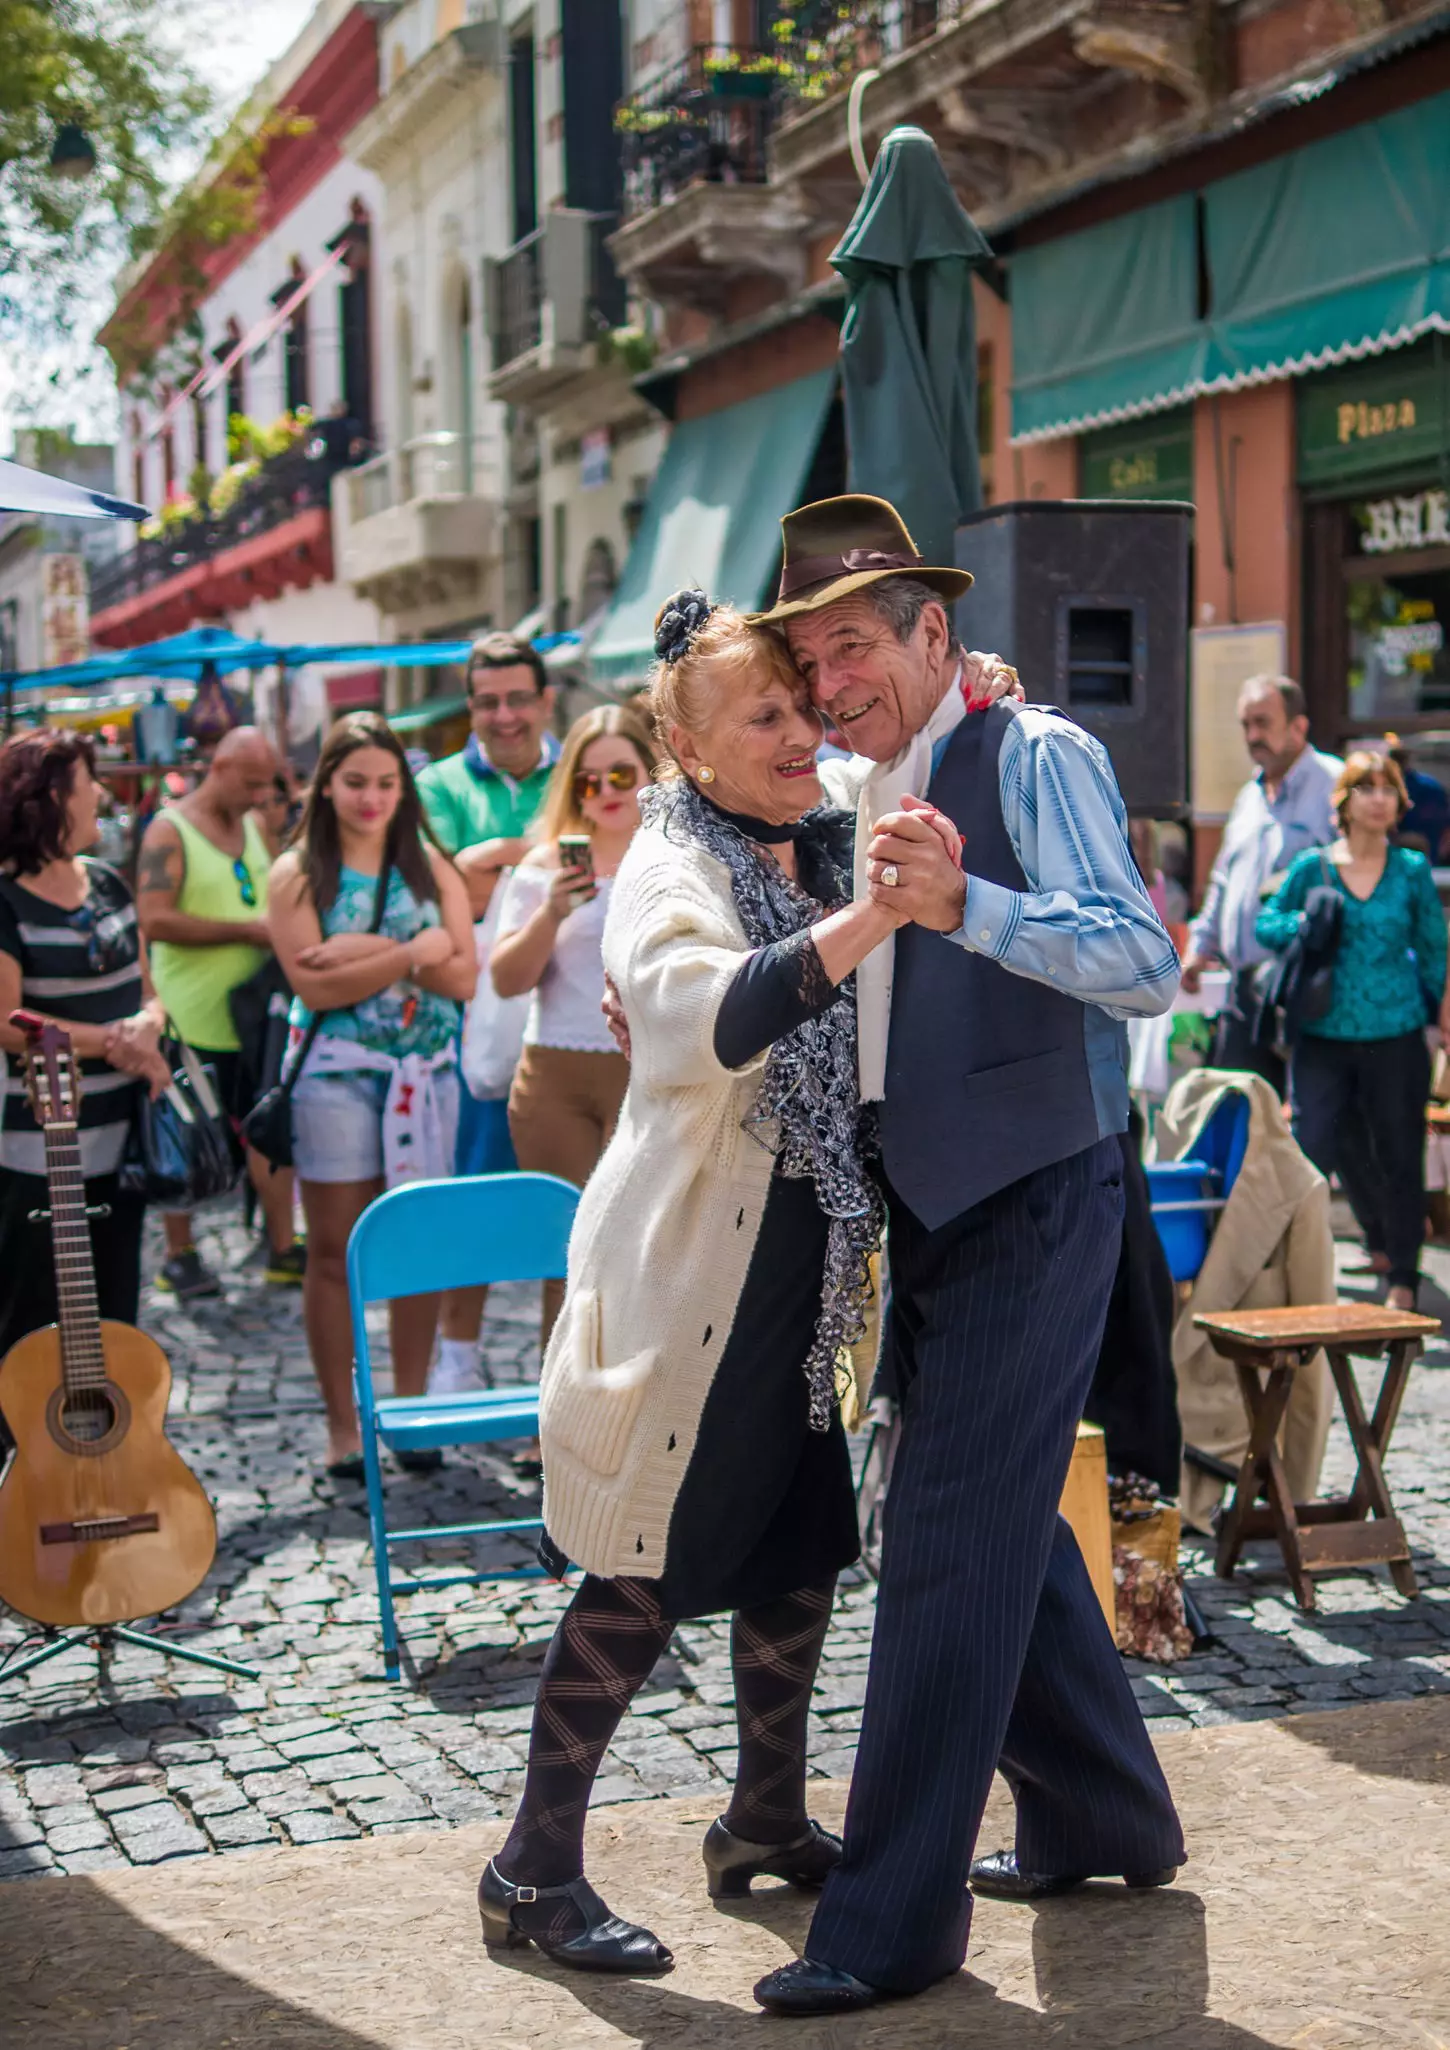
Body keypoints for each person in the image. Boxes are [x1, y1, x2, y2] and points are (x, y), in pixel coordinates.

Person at [746, 495, 1185, 2017]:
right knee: (983, 1520)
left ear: (934, 632)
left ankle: (890, 1917)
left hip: (1040, 1192)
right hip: (919, 1204)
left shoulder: (1037, 750)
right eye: (810, 657)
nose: (830, 680)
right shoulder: (857, 782)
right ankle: (1103, 1812)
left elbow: (1143, 964)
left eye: (852, 645)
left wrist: (964, 901)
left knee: (939, 1537)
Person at [478, 593, 942, 1972]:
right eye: (769, 715)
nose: (805, 733)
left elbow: (923, 734)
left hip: (810, 1269)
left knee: (798, 1547)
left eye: (806, 704)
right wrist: (862, 922)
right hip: (698, 1275)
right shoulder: (664, 862)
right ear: (687, 749)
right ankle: (530, 1867)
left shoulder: (828, 807)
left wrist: (961, 671)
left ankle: (759, 1819)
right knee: (645, 1560)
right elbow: (696, 1018)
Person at [267, 713, 476, 1480]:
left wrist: (367, 953)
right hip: (334, 1076)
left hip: (425, 1077)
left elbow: (463, 976)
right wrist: (413, 951)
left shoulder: (429, 865)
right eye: (355, 781)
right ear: (326, 784)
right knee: (333, 1253)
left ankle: (413, 1413)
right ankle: (342, 1428)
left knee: (416, 1245)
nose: (372, 797)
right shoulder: (298, 873)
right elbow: (310, 982)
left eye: (387, 783)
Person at [488, 705, 658, 1365]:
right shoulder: (542, 869)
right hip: (555, 1075)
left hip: (649, 1075)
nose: (608, 791)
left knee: (646, 1250)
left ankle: (637, 1416)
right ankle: (558, 1419)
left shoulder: (674, 857)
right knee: (570, 1253)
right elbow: (507, 979)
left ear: (651, 773)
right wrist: (553, 912)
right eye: (589, 781)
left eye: (621, 773)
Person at [417, 633, 560, 1391]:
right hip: (475, 1027)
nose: (503, 716)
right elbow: (450, 895)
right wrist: (541, 853)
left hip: (574, 1019)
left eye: (517, 699)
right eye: (487, 701)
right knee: (474, 1194)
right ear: (470, 707)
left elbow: (606, 859)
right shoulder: (436, 785)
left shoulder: (582, 766)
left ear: (546, 701)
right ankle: (458, 1359)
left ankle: (558, 1378)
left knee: (572, 1205)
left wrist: (495, 860)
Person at [0, 731, 170, 1362]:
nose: (100, 794)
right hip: (43, 1146)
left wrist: (147, 1027)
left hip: (124, 1144)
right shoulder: (6, 900)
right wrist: (117, 1043)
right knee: (32, 1325)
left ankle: (112, 1456)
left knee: (113, 1319)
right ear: (48, 799)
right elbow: (5, 1018)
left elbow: (152, 992)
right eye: (86, 783)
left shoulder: (108, 886)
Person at [1257, 750, 1448, 1311]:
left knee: (1399, 1152)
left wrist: (1441, 1019)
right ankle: (1305, 1273)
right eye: (1366, 788)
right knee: (1313, 1150)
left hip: (1397, 1033)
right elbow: (1265, 924)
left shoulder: (1411, 870)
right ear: (1345, 801)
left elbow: (1435, 949)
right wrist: (1301, 921)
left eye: (1388, 788)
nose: (1380, 798)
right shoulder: (1311, 867)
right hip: (1322, 1036)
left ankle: (1403, 1278)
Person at [137, 726, 305, 1297]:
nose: (261, 796)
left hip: (255, 1019)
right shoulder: (170, 830)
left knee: (269, 1128)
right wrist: (246, 932)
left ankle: (283, 1246)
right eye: (253, 783)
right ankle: (180, 1253)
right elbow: (153, 919)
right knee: (183, 1136)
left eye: (268, 786)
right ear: (221, 767)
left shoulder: (255, 828)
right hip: (190, 1017)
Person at [1180, 675, 1340, 1088]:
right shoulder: (1248, 796)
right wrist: (1201, 946)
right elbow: (1222, 880)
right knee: (1239, 1117)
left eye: (1263, 723)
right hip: (1244, 992)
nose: (1253, 736)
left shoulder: (1335, 787)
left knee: (1304, 1132)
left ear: (1299, 727)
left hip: (1304, 993)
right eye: (1245, 724)